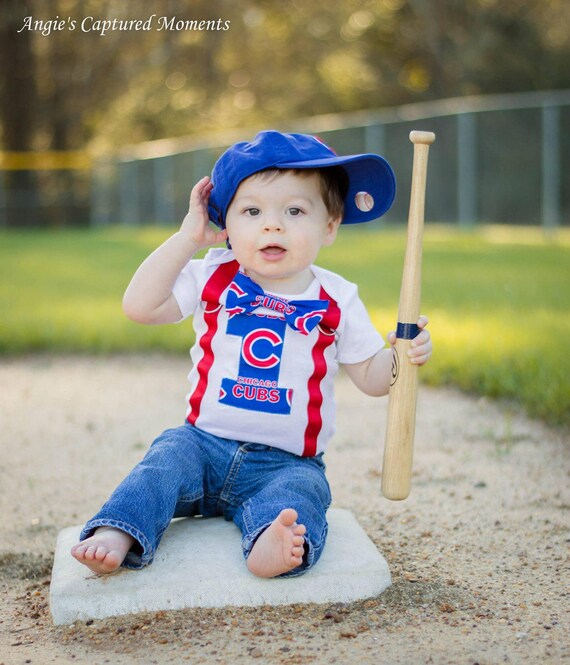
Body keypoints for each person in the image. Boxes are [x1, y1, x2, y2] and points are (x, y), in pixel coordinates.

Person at [71, 130, 432, 579]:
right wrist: (188, 240)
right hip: (201, 445)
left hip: (285, 461)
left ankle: (270, 542)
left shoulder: (337, 299)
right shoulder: (214, 275)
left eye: (295, 211)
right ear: (227, 226)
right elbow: (139, 307)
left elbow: (372, 379)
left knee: (303, 493)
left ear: (330, 226)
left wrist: (402, 353)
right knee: (162, 463)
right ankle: (118, 531)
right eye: (252, 211)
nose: (272, 225)